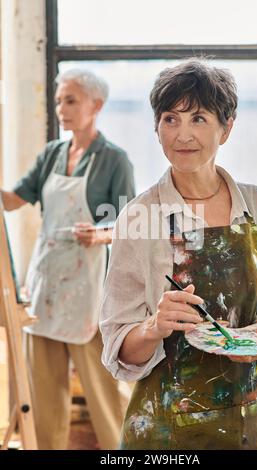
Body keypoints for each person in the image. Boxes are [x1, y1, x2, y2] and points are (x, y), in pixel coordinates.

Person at [100, 59, 257, 450]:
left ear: (226, 128)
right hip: (167, 428)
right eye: (170, 119)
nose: (182, 134)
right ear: (156, 129)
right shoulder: (138, 216)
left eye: (198, 118)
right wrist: (154, 326)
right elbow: (117, 344)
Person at [0, 69, 135, 450]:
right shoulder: (52, 154)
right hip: (46, 283)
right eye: (59, 100)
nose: (62, 108)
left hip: (89, 289)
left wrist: (101, 233)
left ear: (97, 105)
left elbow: (128, 225)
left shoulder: (114, 160)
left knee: (106, 393)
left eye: (71, 100)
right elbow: (15, 199)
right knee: (43, 396)